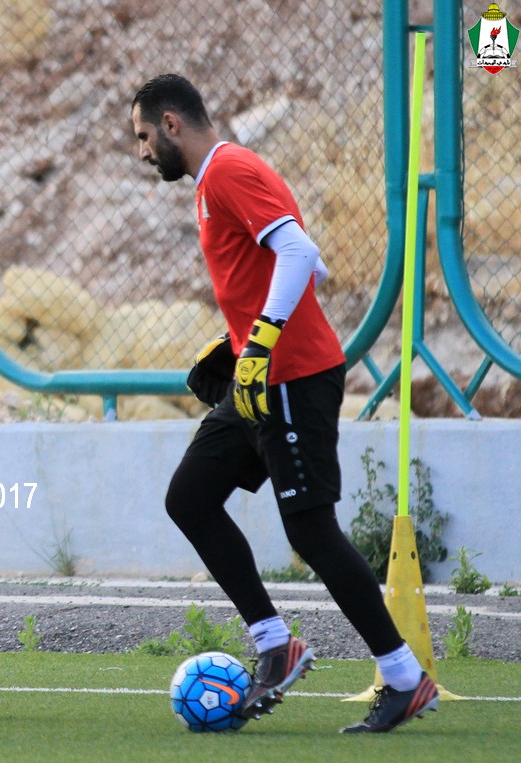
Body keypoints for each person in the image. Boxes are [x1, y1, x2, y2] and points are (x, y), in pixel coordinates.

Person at [130, 74, 438, 734]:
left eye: (144, 135)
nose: (142, 150)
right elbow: (307, 267)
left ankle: (404, 677)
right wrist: (240, 340)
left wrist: (263, 339)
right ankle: (275, 644)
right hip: (259, 379)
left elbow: (299, 250)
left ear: (172, 123)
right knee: (190, 497)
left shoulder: (228, 170)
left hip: (293, 376)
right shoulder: (214, 182)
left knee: (311, 530)